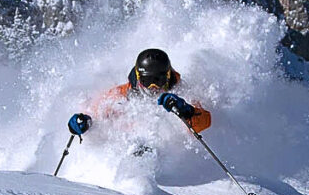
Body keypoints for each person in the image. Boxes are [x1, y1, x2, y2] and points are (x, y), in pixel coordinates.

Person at [67, 48, 212, 137]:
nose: (153, 86)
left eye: (159, 80)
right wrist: (85, 121)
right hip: (129, 146)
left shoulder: (181, 92)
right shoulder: (125, 93)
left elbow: (204, 122)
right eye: (148, 81)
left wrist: (185, 110)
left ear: (168, 76)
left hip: (172, 161)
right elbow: (97, 111)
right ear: (138, 77)